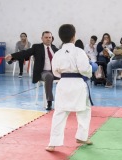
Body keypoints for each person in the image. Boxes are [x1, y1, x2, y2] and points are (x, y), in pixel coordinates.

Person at [45, 24, 94, 152]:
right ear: (74, 37)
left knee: (60, 112)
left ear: (60, 38)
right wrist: (90, 71)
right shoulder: (79, 51)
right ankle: (82, 136)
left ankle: (52, 143)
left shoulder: (58, 53)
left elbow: (55, 72)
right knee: (84, 110)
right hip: (78, 83)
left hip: (63, 83)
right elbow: (84, 69)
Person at [5, 31, 59, 111]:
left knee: (67, 77)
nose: (48, 39)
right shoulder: (37, 47)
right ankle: (49, 102)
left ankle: (66, 102)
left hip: (55, 72)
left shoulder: (54, 48)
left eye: (49, 37)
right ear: (42, 38)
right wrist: (12, 56)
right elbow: (25, 53)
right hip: (43, 72)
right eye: (46, 37)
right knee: (48, 76)